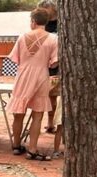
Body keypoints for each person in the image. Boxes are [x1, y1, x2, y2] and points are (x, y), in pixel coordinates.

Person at [6, 8, 58, 161]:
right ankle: (32, 149)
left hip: (22, 75)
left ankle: (16, 145)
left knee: (18, 113)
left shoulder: (22, 37)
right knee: (37, 114)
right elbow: (54, 63)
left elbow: (15, 58)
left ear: (33, 21)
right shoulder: (53, 39)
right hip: (42, 75)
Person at [38, 0, 60, 134]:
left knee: (57, 95)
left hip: (59, 64)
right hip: (45, 63)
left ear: (51, 8)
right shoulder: (42, 24)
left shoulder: (62, 23)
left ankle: (56, 122)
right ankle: (49, 122)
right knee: (47, 94)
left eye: (44, 9)